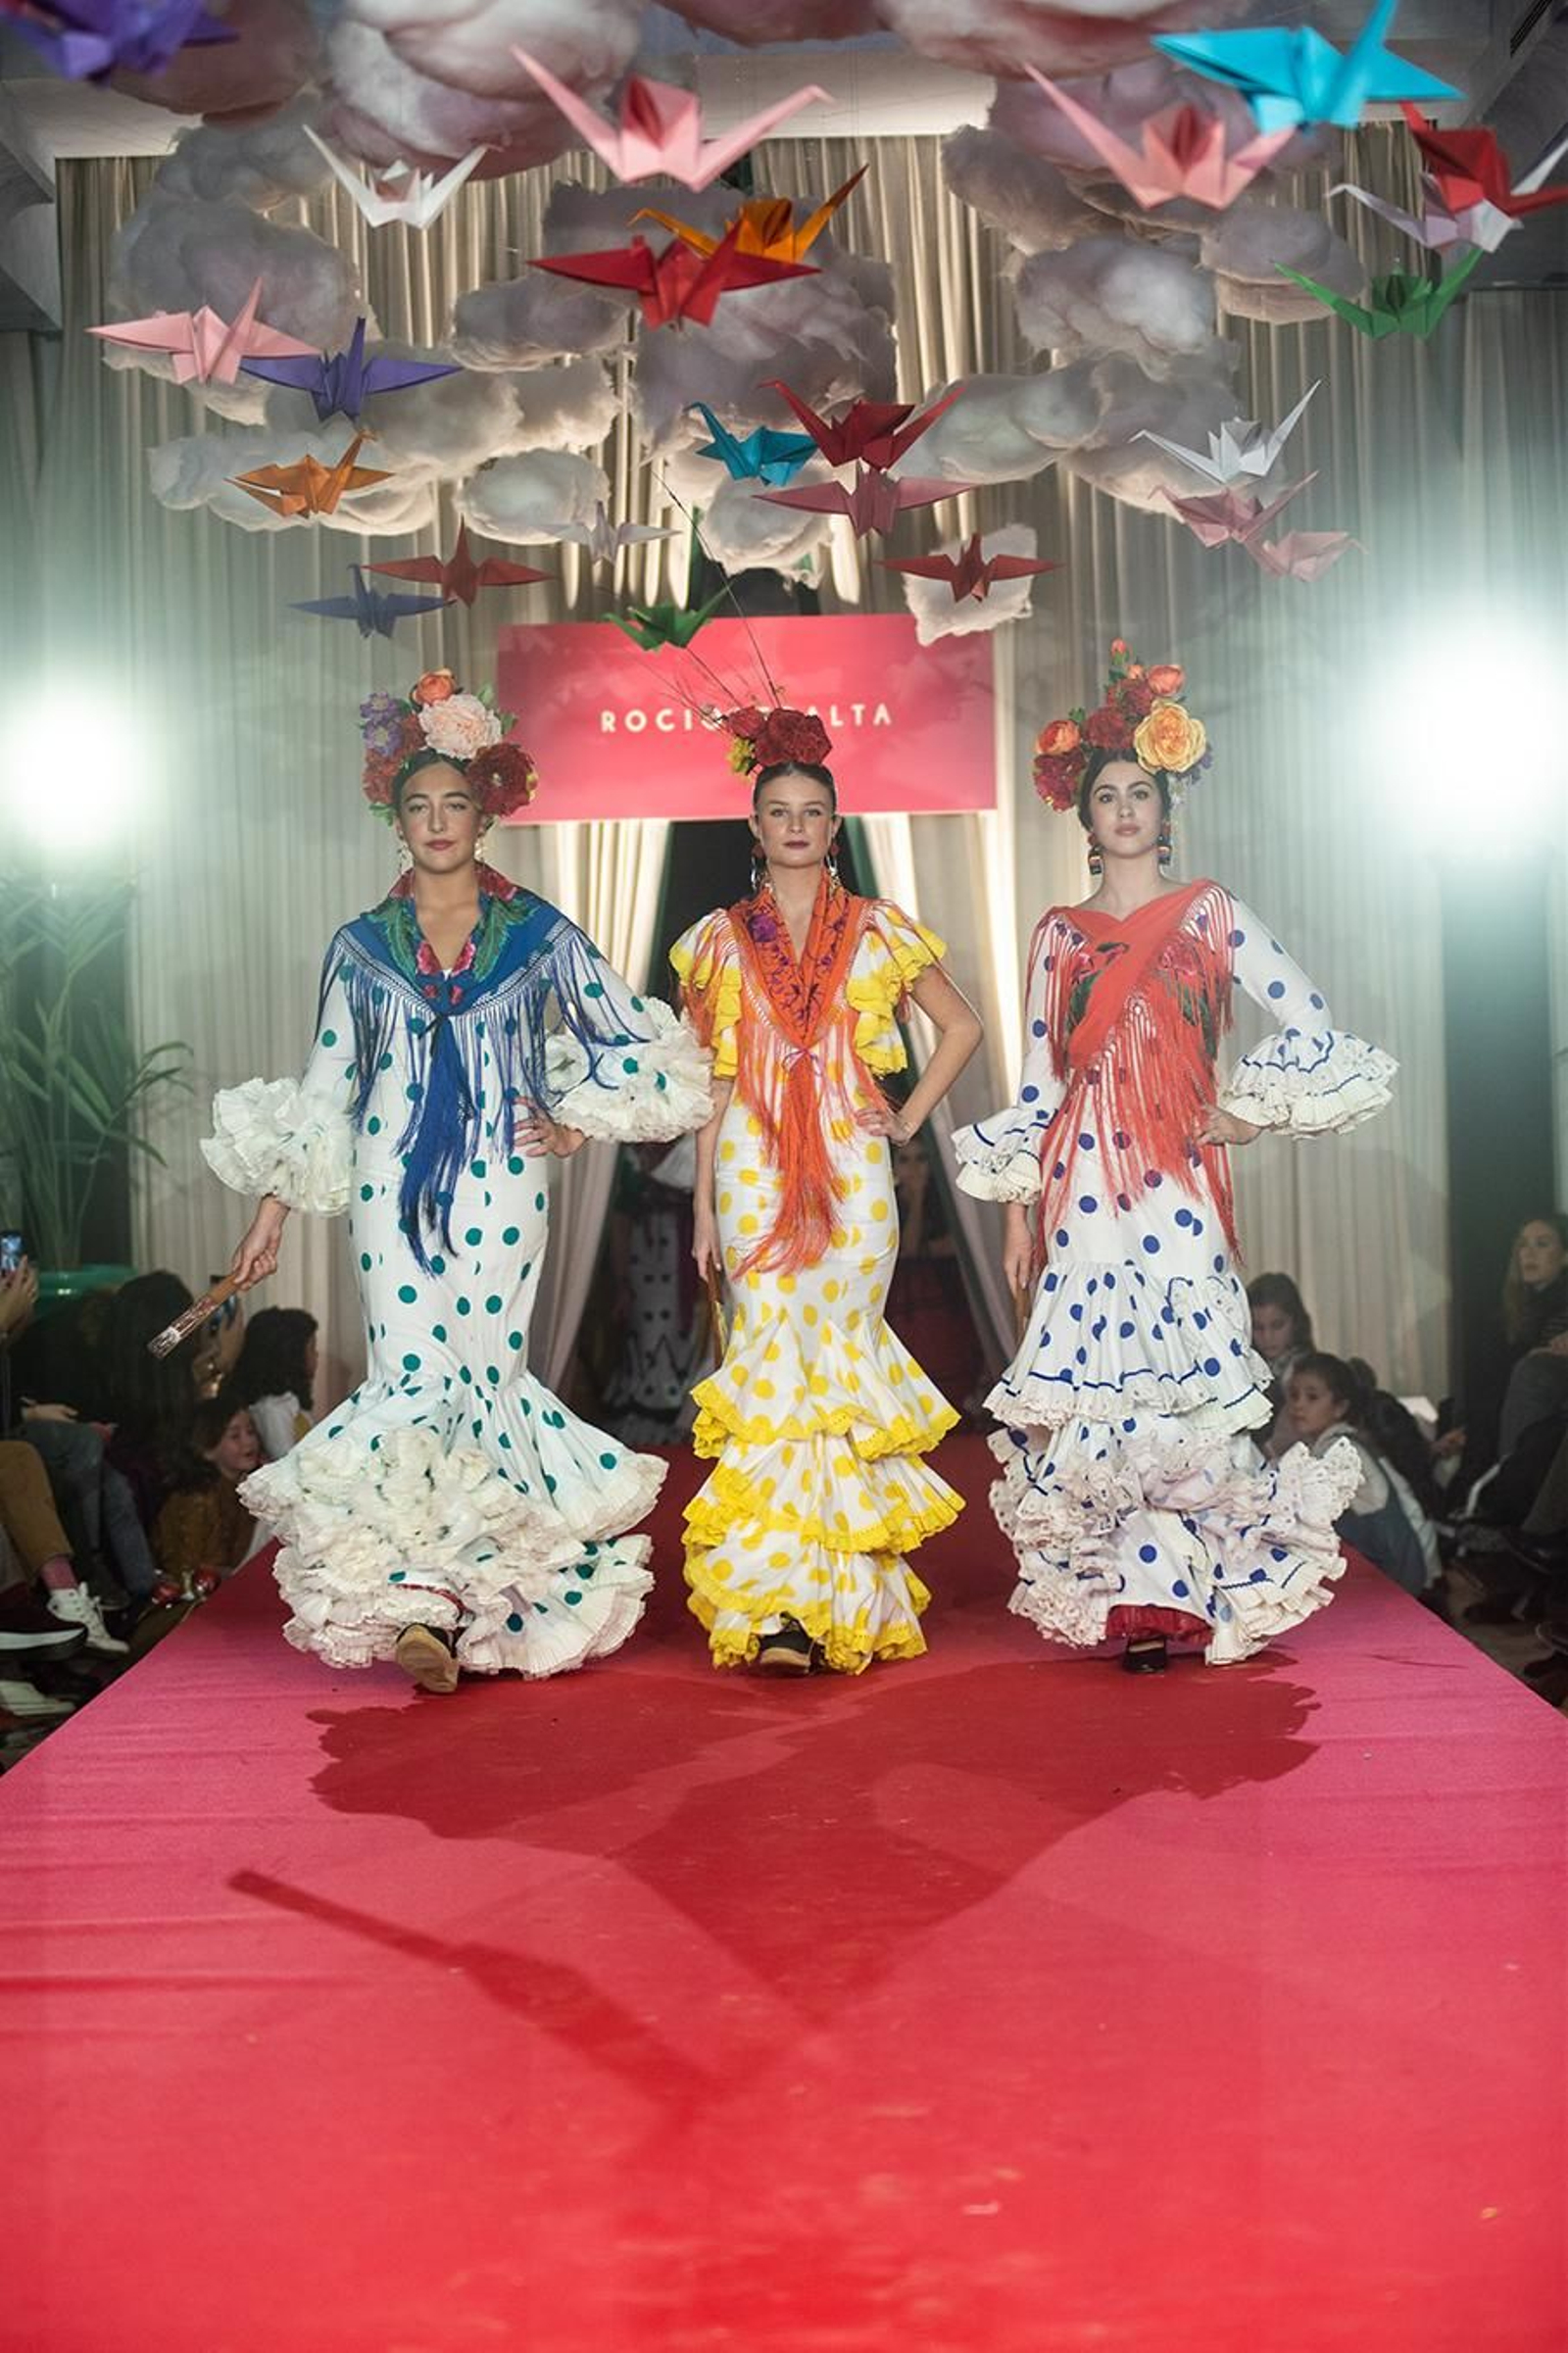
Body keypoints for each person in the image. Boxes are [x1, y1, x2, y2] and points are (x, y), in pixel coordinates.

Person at [208, 669, 710, 1693]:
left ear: (485, 816)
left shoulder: (538, 936)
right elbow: (325, 1091)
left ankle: (487, 1595)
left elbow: (636, 1041)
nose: (438, 821)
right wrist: (269, 1214)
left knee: (484, 1372)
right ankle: (421, 1600)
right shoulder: (361, 948)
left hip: (504, 1179)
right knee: (409, 1377)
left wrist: (575, 1121)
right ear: (396, 824)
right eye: (419, 806)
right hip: (386, 1185)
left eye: (455, 803)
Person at [955, 640, 1396, 1672]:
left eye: (1139, 793)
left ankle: (1192, 1586)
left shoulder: (1209, 910)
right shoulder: (1058, 934)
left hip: (1175, 1180)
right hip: (1081, 1185)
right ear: (1085, 816)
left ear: (1166, 807)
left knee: (1184, 1387)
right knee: (1102, 1394)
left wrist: (1244, 1114)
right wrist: (1018, 1210)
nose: (1123, 809)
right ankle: (1140, 1599)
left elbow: (1307, 1012)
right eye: (1106, 795)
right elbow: (1037, 1082)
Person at [673, 704, 983, 1673]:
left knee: (839, 1374)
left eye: (812, 810)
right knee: (772, 1365)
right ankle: (779, 1607)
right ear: (755, 827)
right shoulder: (718, 940)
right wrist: (699, 1204)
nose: (796, 824)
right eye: (780, 810)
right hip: (751, 1171)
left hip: (853, 1172)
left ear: (834, 825)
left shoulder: (879, 929)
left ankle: (840, 1599)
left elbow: (963, 1026)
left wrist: (908, 1115)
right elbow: (708, 1079)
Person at [1286, 1352, 1439, 1594]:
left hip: (1398, 1561)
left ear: (1340, 1408)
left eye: (1312, 1397)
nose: (1298, 1405)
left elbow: (1302, 1508)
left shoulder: (1338, 1449)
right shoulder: (1340, 1440)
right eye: (1294, 1395)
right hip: (1404, 1551)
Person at [153, 1395, 264, 1586]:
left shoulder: (248, 1487)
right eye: (235, 1436)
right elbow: (187, 1571)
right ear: (207, 1449)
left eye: (251, 1432)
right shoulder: (197, 1499)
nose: (248, 1442)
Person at [226, 1306, 318, 1461]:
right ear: (292, 1355)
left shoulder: (290, 1402)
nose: (316, 1355)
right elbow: (284, 1460)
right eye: (312, 1349)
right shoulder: (272, 1410)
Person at [1248, 1270, 1315, 1459]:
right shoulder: (1244, 1369)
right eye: (1258, 1327)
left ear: (1296, 1322)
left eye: (1277, 1325)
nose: (1267, 1337)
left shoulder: (1311, 1371)